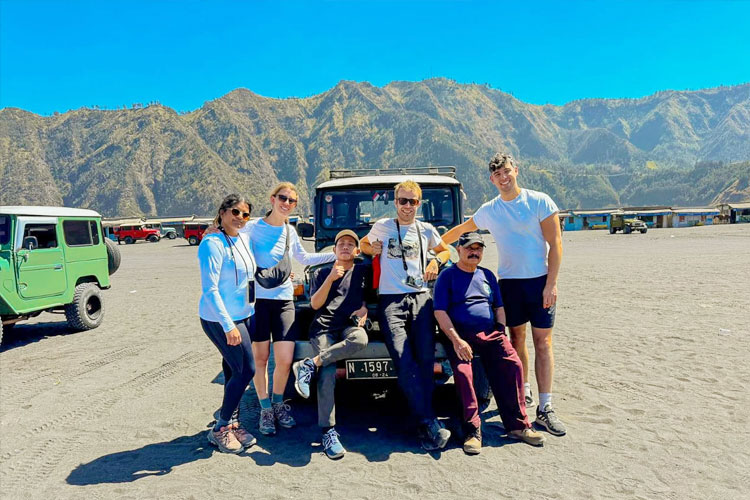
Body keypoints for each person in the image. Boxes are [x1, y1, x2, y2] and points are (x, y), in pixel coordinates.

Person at [442, 153, 566, 436]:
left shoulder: (539, 201)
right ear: (492, 179)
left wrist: (551, 283)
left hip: (539, 282)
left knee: (543, 341)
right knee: (517, 339)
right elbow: (461, 230)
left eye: (507, 172)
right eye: (497, 175)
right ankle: (523, 392)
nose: (503, 178)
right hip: (508, 283)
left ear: (516, 171)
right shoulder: (490, 209)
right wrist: (431, 245)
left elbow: (556, 244)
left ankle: (546, 408)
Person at [360, 180, 453, 450]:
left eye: (413, 201)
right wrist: (371, 249)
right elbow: (365, 244)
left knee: (425, 360)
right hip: (391, 301)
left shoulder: (426, 230)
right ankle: (428, 421)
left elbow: (445, 249)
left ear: (419, 203)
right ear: (395, 201)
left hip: (421, 298)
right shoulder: (383, 226)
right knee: (403, 359)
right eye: (403, 201)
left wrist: (437, 260)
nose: (407, 206)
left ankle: (425, 424)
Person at [433, 231, 546, 454]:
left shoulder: (487, 276)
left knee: (513, 364)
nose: (474, 252)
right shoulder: (447, 276)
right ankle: (472, 431)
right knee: (464, 375)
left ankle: (518, 426)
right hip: (460, 338)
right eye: (469, 248)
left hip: (491, 334)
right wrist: (456, 340)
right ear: (459, 250)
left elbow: (498, 307)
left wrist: (500, 331)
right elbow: (440, 311)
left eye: (479, 248)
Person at [240, 182, 336, 436]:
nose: (286, 203)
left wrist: (338, 255)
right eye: (283, 198)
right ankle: (265, 410)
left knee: (283, 360)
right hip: (258, 302)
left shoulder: (289, 231)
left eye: (292, 201)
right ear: (272, 199)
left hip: (284, 301)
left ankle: (279, 403)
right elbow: (238, 255)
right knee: (260, 360)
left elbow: (304, 258)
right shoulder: (251, 228)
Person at [291, 230, 370, 459]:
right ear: (334, 250)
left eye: (350, 244)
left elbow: (363, 294)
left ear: (356, 251)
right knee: (326, 372)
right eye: (341, 244)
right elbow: (315, 304)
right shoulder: (323, 272)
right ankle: (328, 431)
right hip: (323, 328)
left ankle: (308, 364)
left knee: (361, 338)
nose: (345, 247)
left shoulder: (362, 271)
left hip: (348, 326)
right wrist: (330, 279)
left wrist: (364, 306)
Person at [198, 194, 258, 454]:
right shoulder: (212, 243)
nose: (240, 218)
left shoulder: (243, 237)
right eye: (235, 212)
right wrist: (228, 326)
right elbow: (210, 289)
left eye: (245, 214)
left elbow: (273, 224)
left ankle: (232, 424)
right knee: (247, 370)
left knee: (233, 371)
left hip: (244, 314)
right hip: (220, 318)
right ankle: (221, 428)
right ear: (222, 212)